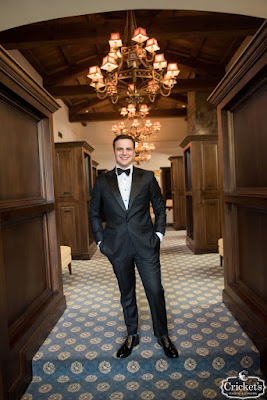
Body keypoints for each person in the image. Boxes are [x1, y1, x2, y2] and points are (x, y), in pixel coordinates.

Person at [89, 134, 178, 359]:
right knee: (126, 292)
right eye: (120, 149)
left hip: (146, 244)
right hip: (117, 246)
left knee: (155, 290)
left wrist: (158, 235)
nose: (124, 152)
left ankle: (163, 335)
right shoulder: (102, 182)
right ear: (114, 151)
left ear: (134, 151)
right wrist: (100, 242)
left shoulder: (147, 177)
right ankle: (132, 334)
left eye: (128, 148)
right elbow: (93, 214)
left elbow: (159, 207)